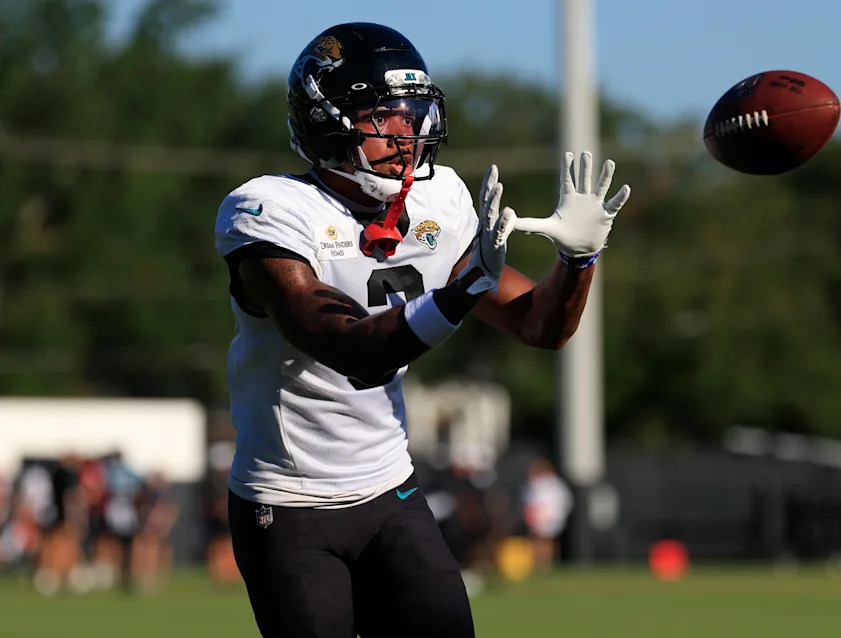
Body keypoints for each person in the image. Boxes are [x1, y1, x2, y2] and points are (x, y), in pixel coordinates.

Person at [214, 22, 630, 638]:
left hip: (388, 490)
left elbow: (539, 326)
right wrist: (463, 290)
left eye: (413, 115)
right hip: (288, 504)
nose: (404, 135)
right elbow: (351, 348)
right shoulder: (268, 212)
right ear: (326, 122)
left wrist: (578, 262)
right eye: (381, 116)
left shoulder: (441, 202)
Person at [521, 457, 573, 572]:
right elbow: (529, 501)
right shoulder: (535, 484)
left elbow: (562, 502)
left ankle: (545, 564)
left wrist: (555, 515)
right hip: (538, 516)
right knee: (536, 540)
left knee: (546, 541)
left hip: (549, 516)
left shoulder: (553, 485)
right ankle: (537, 564)